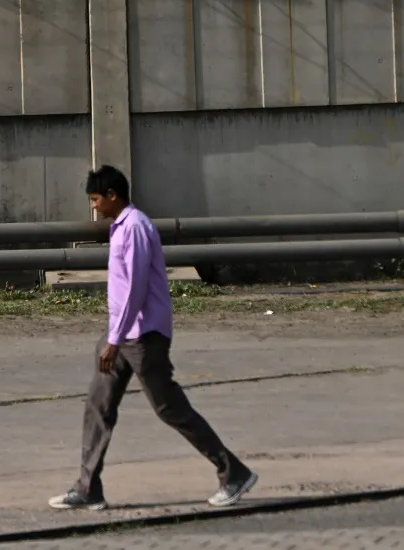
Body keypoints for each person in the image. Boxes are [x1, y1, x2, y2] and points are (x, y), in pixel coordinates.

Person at [49, 165, 256, 512]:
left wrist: (114, 339)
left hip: (143, 336)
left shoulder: (136, 229)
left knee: (170, 408)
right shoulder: (121, 228)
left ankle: (234, 472)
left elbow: (134, 289)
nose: (94, 207)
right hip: (121, 333)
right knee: (98, 405)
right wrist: (113, 336)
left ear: (113, 196)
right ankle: (88, 488)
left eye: (96, 199)